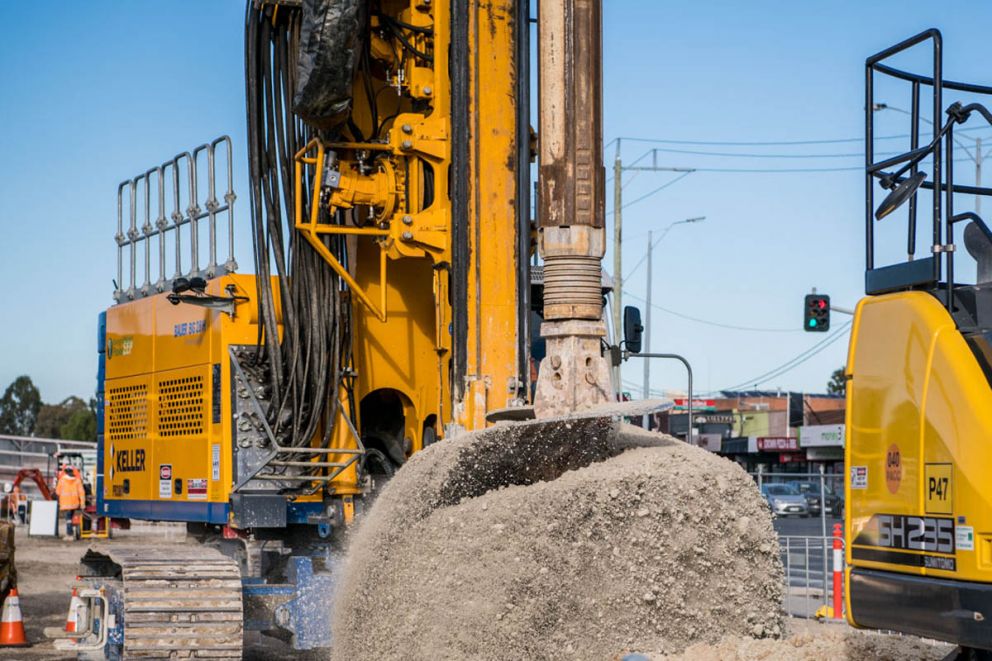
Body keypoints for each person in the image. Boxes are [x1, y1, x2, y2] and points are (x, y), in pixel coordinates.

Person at [55, 465, 85, 539]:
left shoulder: (61, 480)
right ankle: (71, 533)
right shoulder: (78, 481)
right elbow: (82, 493)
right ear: (72, 471)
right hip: (74, 504)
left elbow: (57, 492)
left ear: (65, 472)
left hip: (65, 504)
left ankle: (70, 534)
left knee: (68, 519)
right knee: (71, 518)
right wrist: (82, 504)